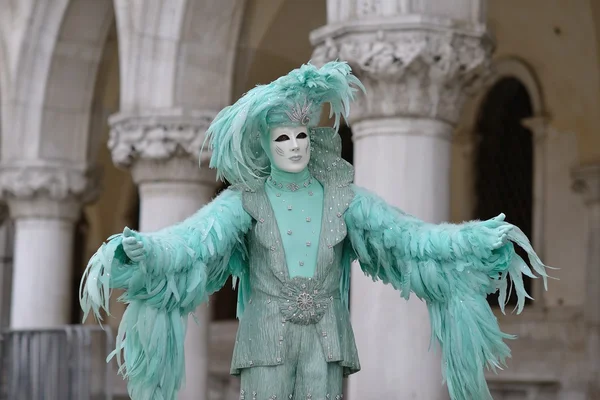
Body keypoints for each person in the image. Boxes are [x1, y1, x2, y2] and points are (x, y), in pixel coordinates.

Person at [80, 61, 551, 400]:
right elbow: (194, 244)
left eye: (301, 136)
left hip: (326, 336)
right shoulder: (245, 198)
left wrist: (469, 241)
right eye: (282, 138)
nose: (294, 146)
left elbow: (408, 240)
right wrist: (146, 251)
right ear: (265, 145)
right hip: (265, 336)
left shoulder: (345, 197)